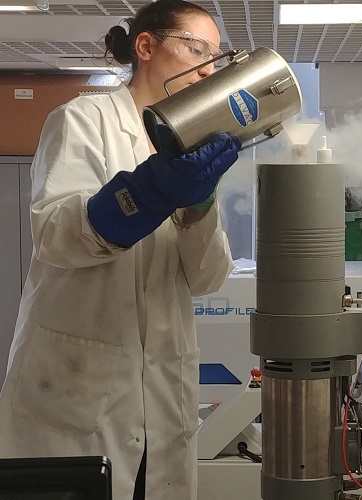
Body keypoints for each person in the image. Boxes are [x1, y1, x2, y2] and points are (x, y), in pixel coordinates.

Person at [0, 1, 240, 499]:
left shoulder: (193, 145)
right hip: (76, 399)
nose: (209, 71)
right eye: (197, 51)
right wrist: (148, 194)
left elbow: (208, 277)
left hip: (160, 405)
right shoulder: (81, 120)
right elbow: (55, 234)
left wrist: (200, 204)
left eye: (216, 60)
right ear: (146, 47)